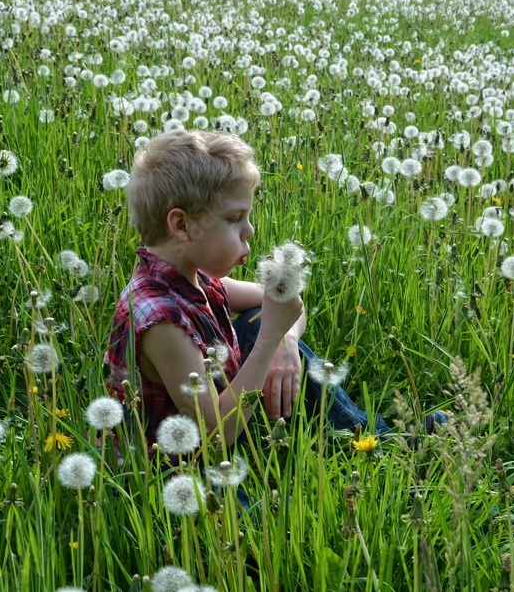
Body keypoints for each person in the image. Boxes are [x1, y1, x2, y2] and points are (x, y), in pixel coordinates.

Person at [104, 129, 436, 452]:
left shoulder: (195, 279)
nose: (250, 230)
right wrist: (268, 341)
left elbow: (286, 303)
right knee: (263, 329)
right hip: (176, 464)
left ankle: (365, 435)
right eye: (234, 218)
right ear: (181, 226)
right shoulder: (161, 321)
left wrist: (284, 343)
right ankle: (374, 447)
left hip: (226, 422)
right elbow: (214, 436)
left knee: (258, 320)